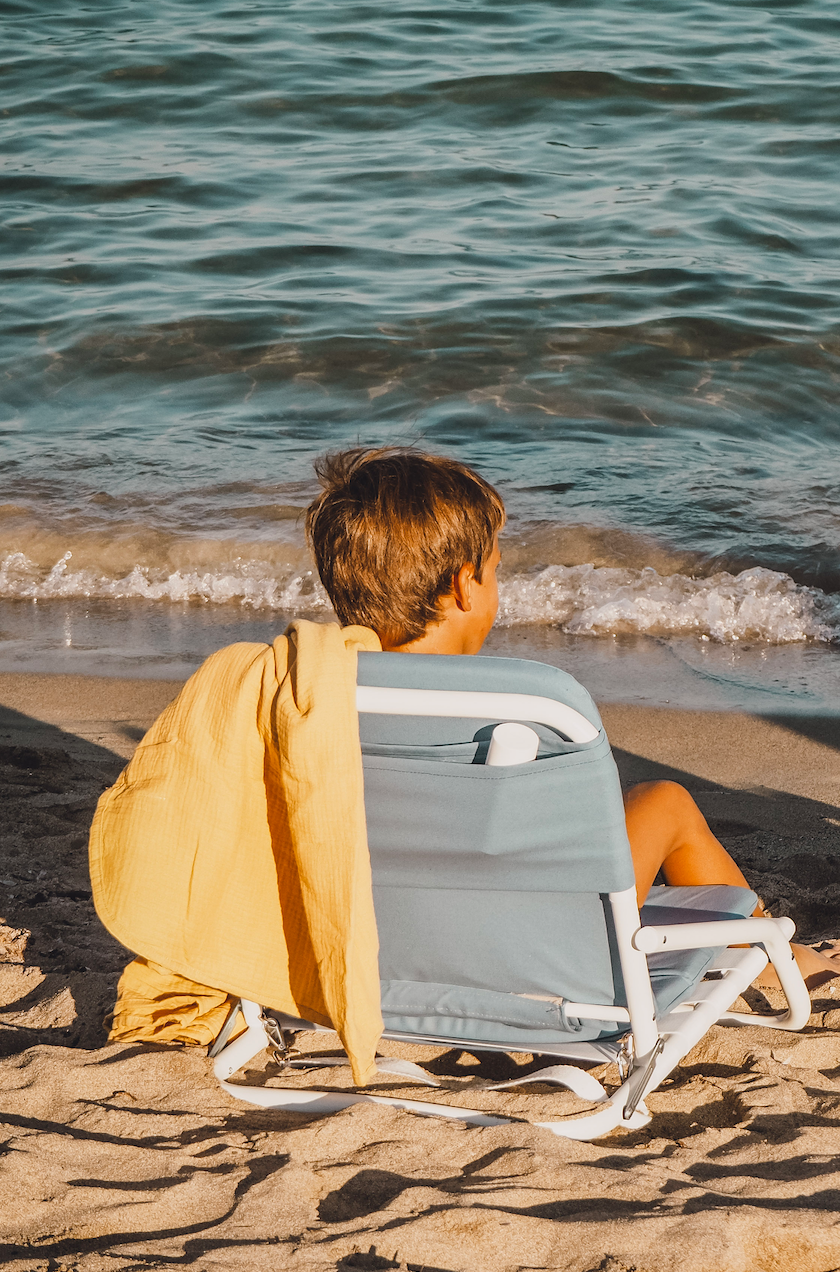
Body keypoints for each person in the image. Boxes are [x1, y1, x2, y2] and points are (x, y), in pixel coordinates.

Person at [307, 445, 840, 989]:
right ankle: (782, 962)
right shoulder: (518, 706)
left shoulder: (303, 694)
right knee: (664, 803)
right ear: (466, 585)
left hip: (377, 941)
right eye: (494, 571)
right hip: (536, 950)